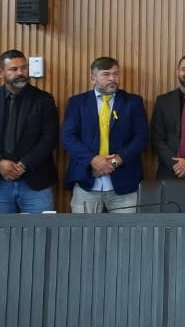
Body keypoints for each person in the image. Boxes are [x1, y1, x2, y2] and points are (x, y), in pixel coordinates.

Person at [0, 49, 60, 213]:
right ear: (1, 72)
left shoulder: (43, 100)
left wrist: (24, 164)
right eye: (14, 69)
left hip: (35, 180)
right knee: (1, 236)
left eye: (23, 68)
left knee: (40, 234)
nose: (20, 73)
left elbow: (50, 138)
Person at [62, 56, 149, 213]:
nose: (112, 79)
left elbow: (141, 138)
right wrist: (93, 160)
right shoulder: (77, 102)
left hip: (124, 185)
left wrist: (114, 162)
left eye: (116, 74)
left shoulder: (133, 102)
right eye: (106, 74)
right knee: (84, 236)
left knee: (127, 236)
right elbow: (68, 138)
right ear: (92, 78)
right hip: (86, 183)